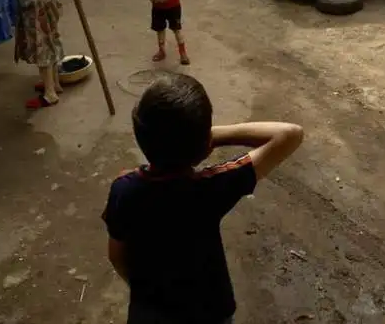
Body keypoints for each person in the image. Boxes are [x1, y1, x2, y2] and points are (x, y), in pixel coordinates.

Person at [101, 72, 304, 324]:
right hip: (209, 311)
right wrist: (212, 136)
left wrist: (143, 292)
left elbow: (116, 256)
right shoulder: (211, 188)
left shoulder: (123, 189)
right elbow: (291, 134)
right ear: (204, 145)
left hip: (149, 312)